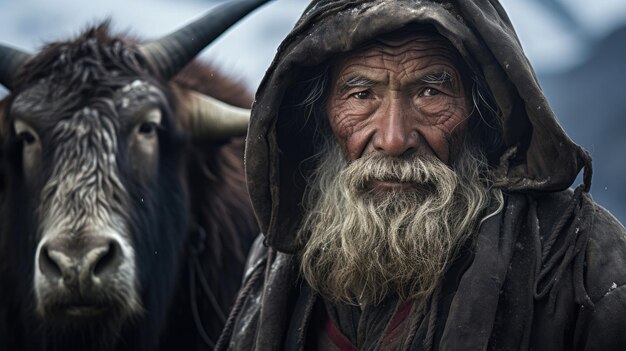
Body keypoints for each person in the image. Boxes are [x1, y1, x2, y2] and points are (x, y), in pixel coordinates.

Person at [217, 0, 626, 350]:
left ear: (482, 113)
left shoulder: (580, 263)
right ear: (322, 117)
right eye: (361, 95)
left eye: (431, 91)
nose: (394, 139)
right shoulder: (276, 263)